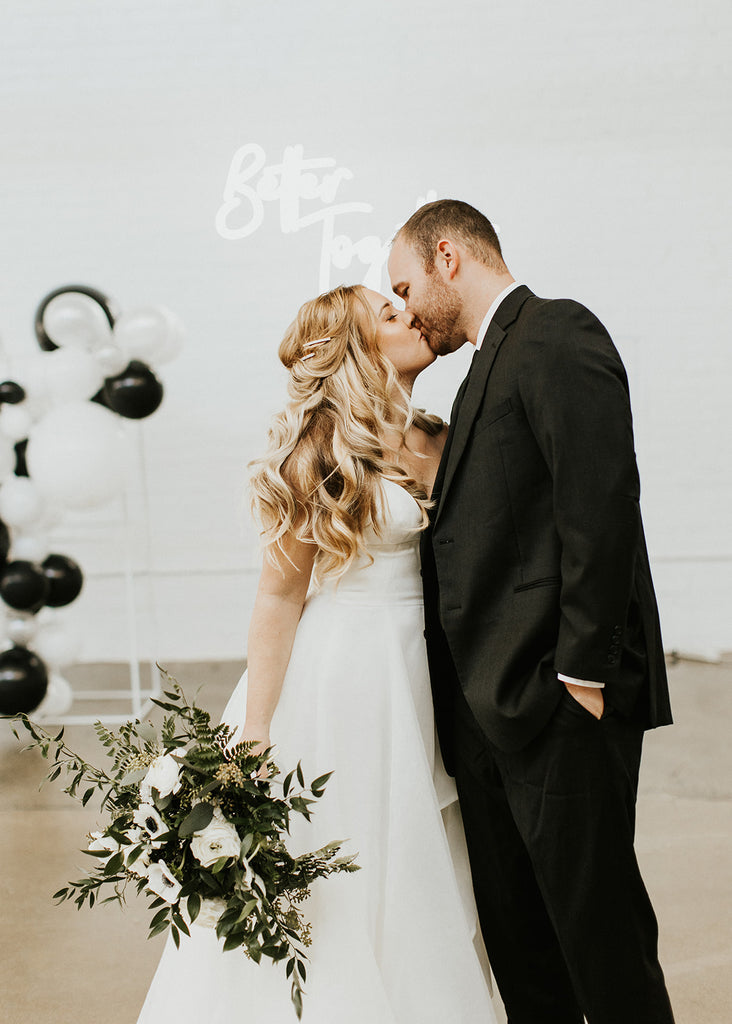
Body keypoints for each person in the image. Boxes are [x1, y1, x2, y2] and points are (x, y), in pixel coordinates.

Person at [136, 284, 497, 1023]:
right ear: (360, 349)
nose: (411, 318)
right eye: (390, 317)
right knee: (347, 861)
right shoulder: (322, 446)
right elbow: (279, 596)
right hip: (347, 678)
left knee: (417, 862)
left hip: (424, 674)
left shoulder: (438, 433)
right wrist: (257, 729)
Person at [388, 198, 676, 1024]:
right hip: (488, 715)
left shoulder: (555, 333)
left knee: (602, 943)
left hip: (559, 705)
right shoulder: (484, 367)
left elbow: (601, 504)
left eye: (405, 285)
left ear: (449, 255)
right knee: (524, 950)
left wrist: (582, 674)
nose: (404, 308)